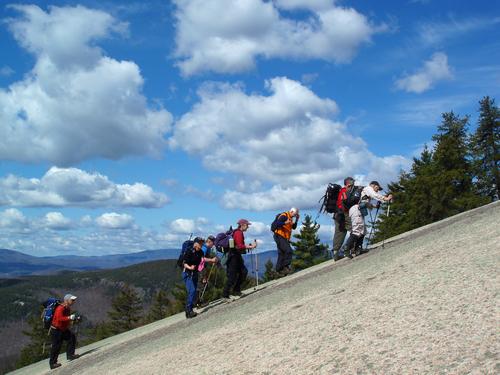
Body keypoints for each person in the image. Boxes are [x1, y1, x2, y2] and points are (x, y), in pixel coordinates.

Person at [343, 181, 393, 258]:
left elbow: (366, 203)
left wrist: (376, 206)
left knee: (363, 231)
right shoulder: (368, 188)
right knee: (357, 230)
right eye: (377, 187)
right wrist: (385, 198)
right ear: (372, 185)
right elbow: (374, 195)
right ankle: (346, 249)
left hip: (357, 210)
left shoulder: (365, 193)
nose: (377, 190)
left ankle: (358, 249)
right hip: (356, 210)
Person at [182, 237, 218, 318]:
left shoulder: (200, 252)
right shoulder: (189, 251)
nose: (201, 245)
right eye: (200, 243)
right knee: (192, 291)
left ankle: (190, 309)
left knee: (193, 291)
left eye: (202, 243)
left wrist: (212, 261)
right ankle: (189, 310)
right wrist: (190, 267)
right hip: (187, 273)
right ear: (195, 243)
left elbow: (202, 261)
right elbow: (184, 263)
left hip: (195, 273)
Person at [222, 219, 256, 299]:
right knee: (232, 276)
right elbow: (239, 246)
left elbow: (239, 246)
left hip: (236, 256)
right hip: (233, 256)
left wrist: (248, 247)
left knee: (243, 272)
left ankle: (236, 290)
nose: (248, 227)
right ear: (243, 225)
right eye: (247, 225)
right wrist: (250, 246)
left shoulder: (237, 232)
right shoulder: (238, 233)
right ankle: (225, 295)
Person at [49, 294, 80, 370]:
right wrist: (69, 317)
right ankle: (52, 363)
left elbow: (66, 319)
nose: (73, 301)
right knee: (56, 346)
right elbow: (59, 318)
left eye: (73, 300)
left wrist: (74, 318)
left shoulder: (67, 308)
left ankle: (70, 355)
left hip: (62, 329)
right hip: (56, 330)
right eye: (72, 300)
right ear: (66, 300)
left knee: (71, 338)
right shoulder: (60, 308)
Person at [332, 177, 355, 261]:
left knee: (339, 233)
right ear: (348, 184)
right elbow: (346, 201)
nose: (354, 185)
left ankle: (335, 254)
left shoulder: (340, 191)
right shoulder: (346, 191)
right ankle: (353, 248)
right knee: (354, 229)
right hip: (345, 213)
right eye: (352, 183)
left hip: (337, 214)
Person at [273, 207, 300, 275]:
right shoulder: (284, 215)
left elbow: (293, 227)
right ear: (291, 211)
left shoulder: (290, 218)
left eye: (296, 214)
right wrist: (285, 222)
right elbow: (277, 223)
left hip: (284, 237)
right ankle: (285, 266)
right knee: (289, 250)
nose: (295, 215)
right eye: (295, 214)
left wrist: (296, 220)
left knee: (281, 253)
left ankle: (278, 270)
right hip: (279, 235)